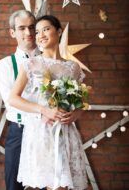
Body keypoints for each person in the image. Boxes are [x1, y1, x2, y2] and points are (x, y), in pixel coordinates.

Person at [8, 15, 88, 190]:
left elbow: (81, 104)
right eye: (37, 32)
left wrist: (75, 114)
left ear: (59, 31)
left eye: (46, 29)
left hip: (66, 133)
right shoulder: (31, 64)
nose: (40, 35)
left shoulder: (73, 68)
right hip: (42, 131)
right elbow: (13, 98)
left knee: (64, 186)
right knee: (54, 185)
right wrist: (43, 110)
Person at [0, 9, 42, 190]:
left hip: (47, 131)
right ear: (12, 32)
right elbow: (11, 102)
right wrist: (43, 109)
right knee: (14, 185)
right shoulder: (6, 64)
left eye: (32, 27)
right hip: (19, 131)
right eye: (22, 28)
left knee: (52, 184)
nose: (28, 33)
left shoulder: (50, 60)